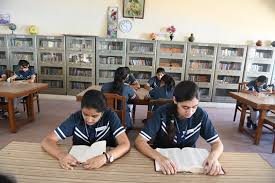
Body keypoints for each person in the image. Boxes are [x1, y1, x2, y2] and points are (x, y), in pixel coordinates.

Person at [135, 81, 224, 176]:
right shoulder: (162, 113)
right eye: (185, 107)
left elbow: (217, 143)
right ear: (175, 100)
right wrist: (159, 157)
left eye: (194, 107)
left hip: (190, 162)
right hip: (164, 160)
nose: (190, 112)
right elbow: (139, 141)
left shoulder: (200, 115)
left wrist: (213, 157)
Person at [41, 90, 130, 170]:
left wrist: (106, 157)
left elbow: (125, 144)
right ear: (81, 109)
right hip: (78, 165)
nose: (89, 119)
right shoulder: (76, 118)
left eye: (94, 116)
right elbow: (47, 140)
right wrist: (61, 155)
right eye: (85, 114)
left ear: (102, 113)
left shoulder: (110, 116)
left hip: (105, 164)